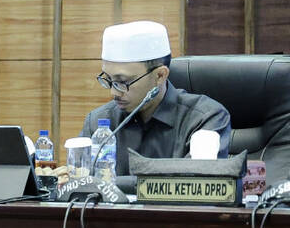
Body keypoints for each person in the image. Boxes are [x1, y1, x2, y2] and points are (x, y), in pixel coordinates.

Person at [80, 20, 231, 177]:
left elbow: (196, 185)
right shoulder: (99, 122)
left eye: (123, 82)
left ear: (160, 75)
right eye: (109, 80)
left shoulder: (204, 119)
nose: (114, 92)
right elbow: (80, 182)